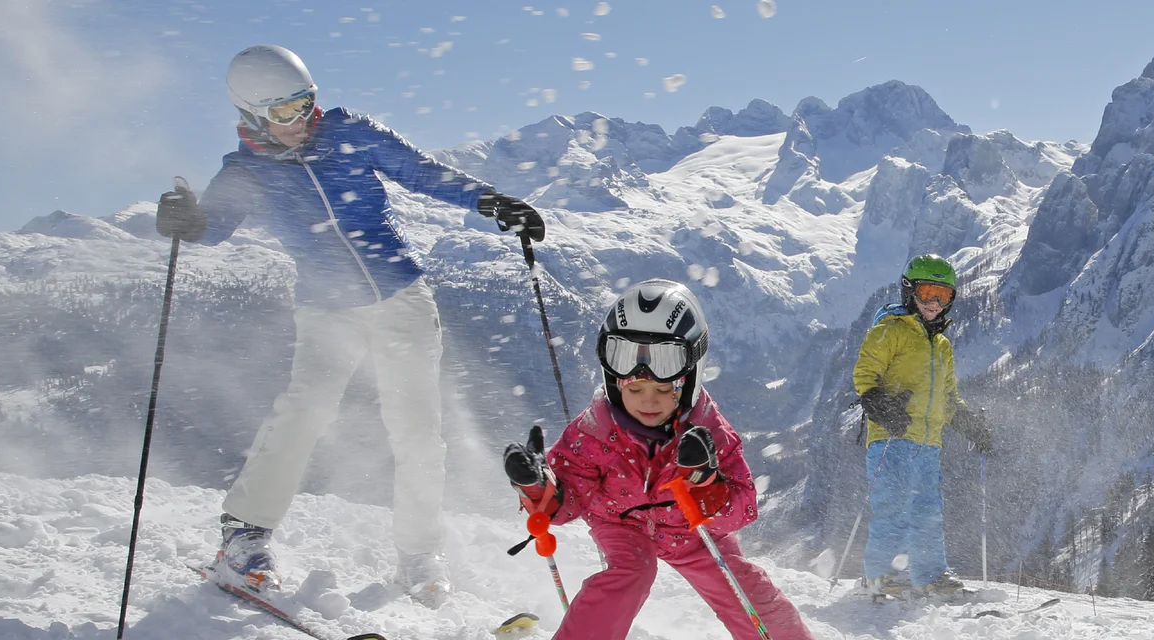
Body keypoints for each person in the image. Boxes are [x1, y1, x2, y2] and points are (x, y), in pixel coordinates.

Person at [155, 44, 544, 606]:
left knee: (416, 430)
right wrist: (186, 222)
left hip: (402, 300)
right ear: (252, 115)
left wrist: (490, 201)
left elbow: (422, 173)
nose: (302, 121)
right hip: (325, 310)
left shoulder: (350, 133)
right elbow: (212, 227)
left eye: (307, 104)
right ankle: (244, 536)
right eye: (285, 113)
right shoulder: (245, 172)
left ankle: (419, 553)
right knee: (305, 411)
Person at [503, 279, 814, 640]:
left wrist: (706, 485)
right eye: (635, 389)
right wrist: (539, 488)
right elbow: (568, 501)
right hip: (621, 523)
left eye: (664, 389)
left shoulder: (707, 432)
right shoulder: (595, 430)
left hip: (692, 529)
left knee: (741, 586)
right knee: (631, 573)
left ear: (689, 379)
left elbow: (743, 507)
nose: (648, 402)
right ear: (615, 381)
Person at [852, 254, 994, 599]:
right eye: (927, 292)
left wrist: (968, 424)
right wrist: (882, 408)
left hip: (929, 441)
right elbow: (864, 377)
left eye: (942, 296)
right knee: (894, 505)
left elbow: (947, 397)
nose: (933, 303)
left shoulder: (941, 345)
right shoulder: (890, 330)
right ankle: (883, 576)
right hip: (892, 436)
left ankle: (930, 575)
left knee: (928, 510)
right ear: (909, 291)